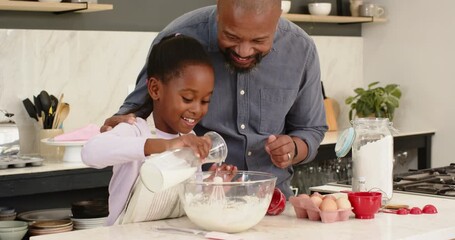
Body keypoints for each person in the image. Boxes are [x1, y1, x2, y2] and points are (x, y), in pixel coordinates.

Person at [101, 0, 327, 198]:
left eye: (258, 41)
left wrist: (294, 149)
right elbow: (136, 109)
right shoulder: (179, 38)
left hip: (272, 203)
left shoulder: (300, 49)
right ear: (218, 13)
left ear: (277, 21)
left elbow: (312, 129)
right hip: (195, 203)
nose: (244, 51)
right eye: (232, 36)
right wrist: (120, 123)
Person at [82, 34, 237, 226]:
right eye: (188, 98)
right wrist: (167, 145)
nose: (197, 109)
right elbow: (90, 152)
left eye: (205, 101)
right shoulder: (135, 130)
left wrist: (213, 186)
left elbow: (188, 202)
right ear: (155, 89)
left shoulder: (190, 138)